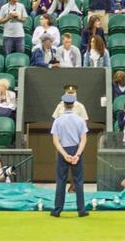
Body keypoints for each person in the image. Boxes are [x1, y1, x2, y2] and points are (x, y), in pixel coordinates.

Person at [49, 88, 89, 217]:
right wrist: (77, 154)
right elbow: (83, 139)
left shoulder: (58, 121)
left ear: (64, 104)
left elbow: (55, 141)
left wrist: (64, 154)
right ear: (74, 104)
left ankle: (57, 210)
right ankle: (81, 210)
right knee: (78, 181)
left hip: (63, 150)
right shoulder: (80, 120)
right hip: (76, 149)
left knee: (61, 181)